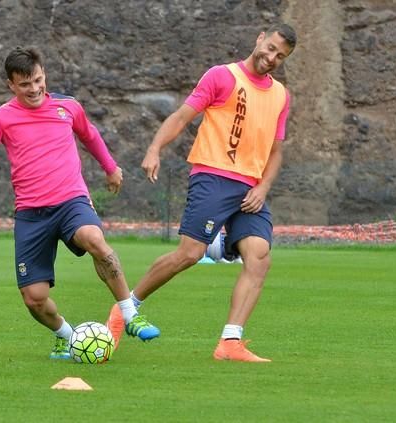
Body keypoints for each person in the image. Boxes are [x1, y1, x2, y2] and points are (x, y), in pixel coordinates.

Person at [108, 24, 297, 362]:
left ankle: (230, 343)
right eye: (269, 48)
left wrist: (263, 188)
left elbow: (276, 151)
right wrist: (154, 148)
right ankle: (126, 309)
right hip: (212, 176)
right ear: (259, 39)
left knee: (259, 258)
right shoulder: (221, 76)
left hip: (251, 189)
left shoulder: (281, 95)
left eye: (280, 56)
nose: (271, 57)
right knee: (189, 254)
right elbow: (182, 117)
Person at [0, 47, 159, 359]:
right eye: (25, 84)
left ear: (44, 74)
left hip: (71, 201)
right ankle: (66, 335)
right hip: (31, 215)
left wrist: (111, 168)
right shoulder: (2, 116)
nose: (35, 89)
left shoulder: (67, 108)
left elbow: (90, 135)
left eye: (38, 80)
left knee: (95, 239)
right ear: (11, 85)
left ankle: (130, 315)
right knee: (34, 299)